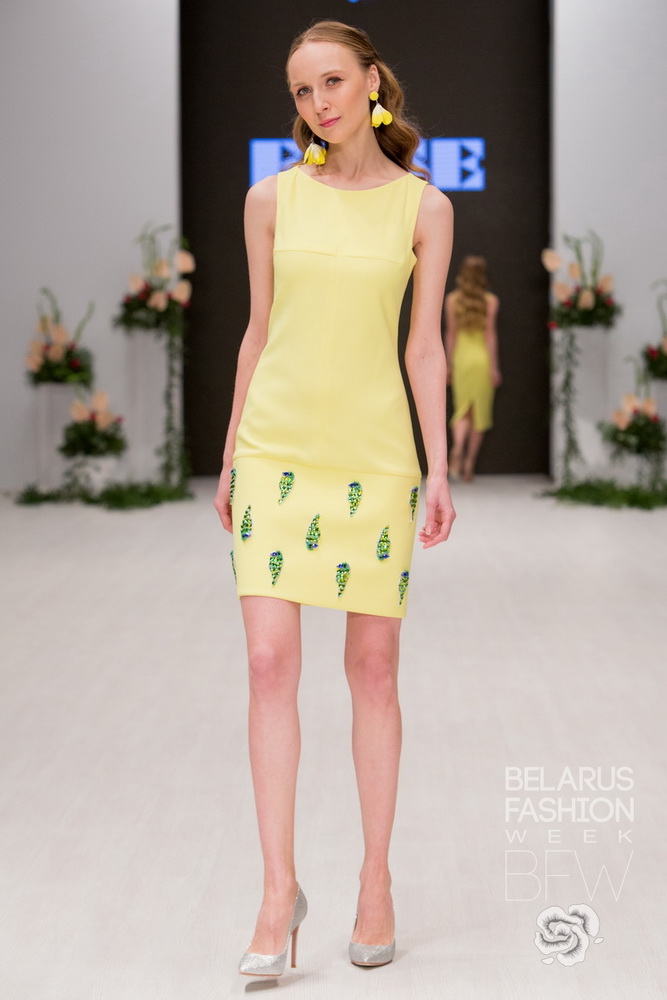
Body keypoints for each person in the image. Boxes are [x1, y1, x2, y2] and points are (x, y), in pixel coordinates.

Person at [213, 19, 455, 977]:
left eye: (332, 82)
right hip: (275, 450)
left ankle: (375, 880)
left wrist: (439, 467)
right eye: (302, 91)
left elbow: (424, 348)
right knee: (268, 664)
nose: (318, 103)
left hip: (374, 459)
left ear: (371, 82)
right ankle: (278, 894)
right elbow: (257, 330)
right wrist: (230, 452)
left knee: (373, 671)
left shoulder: (423, 208)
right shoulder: (269, 199)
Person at [444, 256, 501, 481]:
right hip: (482, 360)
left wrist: (448, 364)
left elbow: (451, 333)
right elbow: (490, 335)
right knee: (479, 413)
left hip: (462, 359)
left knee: (461, 410)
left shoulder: (452, 300)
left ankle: (457, 448)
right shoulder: (491, 301)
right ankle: (469, 463)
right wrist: (494, 367)